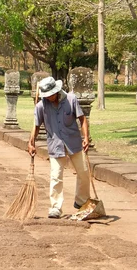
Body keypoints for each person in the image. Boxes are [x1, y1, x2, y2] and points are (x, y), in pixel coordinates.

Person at [28, 76, 91, 219]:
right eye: (46, 96)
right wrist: (31, 142)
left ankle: (81, 202)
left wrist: (86, 137)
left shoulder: (71, 99)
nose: (49, 98)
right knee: (56, 176)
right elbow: (36, 126)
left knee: (84, 172)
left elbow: (82, 119)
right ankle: (55, 207)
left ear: (56, 91)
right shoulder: (41, 106)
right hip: (55, 145)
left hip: (74, 143)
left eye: (50, 95)